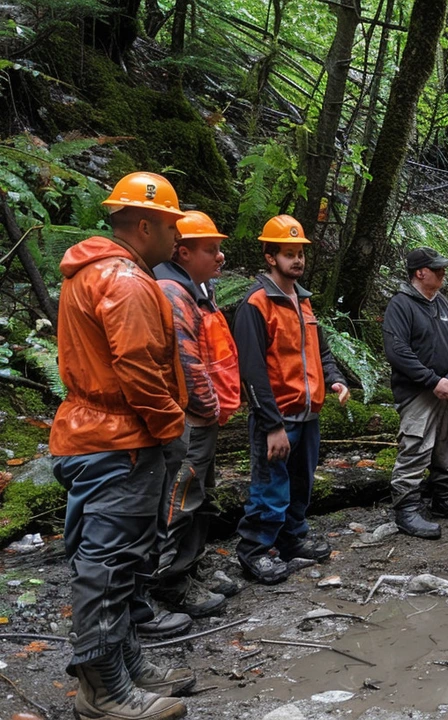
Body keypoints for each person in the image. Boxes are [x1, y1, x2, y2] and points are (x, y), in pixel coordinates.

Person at [51, 172, 192, 719]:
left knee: (122, 559)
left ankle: (125, 662)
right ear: (144, 224)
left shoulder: (98, 273)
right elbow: (136, 365)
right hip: (118, 439)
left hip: (99, 434)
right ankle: (104, 690)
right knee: (109, 564)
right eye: (171, 227)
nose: (176, 239)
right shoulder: (125, 282)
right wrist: (168, 427)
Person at [234, 215, 350, 584]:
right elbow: (252, 372)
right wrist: (271, 426)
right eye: (288, 253)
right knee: (269, 487)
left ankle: (291, 540)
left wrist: (334, 380)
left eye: (300, 253)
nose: (297, 260)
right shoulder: (256, 304)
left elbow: (321, 351)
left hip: (309, 414)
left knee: (301, 485)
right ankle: (253, 551)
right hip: (278, 417)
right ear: (270, 257)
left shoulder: (303, 303)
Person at [152, 210, 242, 620]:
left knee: (199, 497)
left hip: (206, 418)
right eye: (211, 249)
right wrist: (207, 408)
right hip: (192, 420)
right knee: (181, 500)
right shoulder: (173, 291)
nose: (220, 257)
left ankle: (192, 565)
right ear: (183, 252)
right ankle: (171, 581)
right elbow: (187, 362)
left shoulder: (196, 289)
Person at [382, 247, 448, 539]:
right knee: (415, 447)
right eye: (437, 268)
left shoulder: (442, 303)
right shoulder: (401, 305)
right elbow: (397, 352)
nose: (443, 272)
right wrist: (432, 380)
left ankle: (444, 498)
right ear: (420, 272)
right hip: (418, 393)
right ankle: (406, 509)